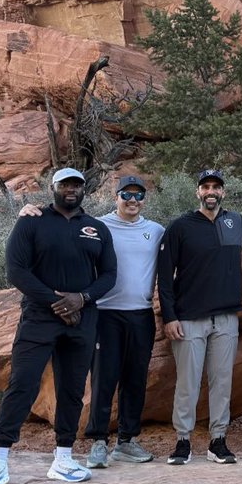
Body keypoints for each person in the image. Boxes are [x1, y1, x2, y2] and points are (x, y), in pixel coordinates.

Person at [157, 169, 242, 466]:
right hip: (190, 318)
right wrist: (169, 317)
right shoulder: (180, 227)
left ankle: (217, 441)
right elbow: (165, 277)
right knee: (188, 382)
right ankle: (182, 442)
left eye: (216, 187)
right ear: (198, 192)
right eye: (206, 186)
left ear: (223, 192)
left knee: (222, 381)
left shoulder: (233, 222)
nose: (211, 191)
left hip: (225, 318)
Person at [0, 168, 117, 484]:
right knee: (22, 383)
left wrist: (82, 298)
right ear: (53, 188)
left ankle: (63, 458)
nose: (70, 190)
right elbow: (16, 271)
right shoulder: (31, 221)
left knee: (73, 389)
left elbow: (108, 275)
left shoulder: (97, 228)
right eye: (64, 184)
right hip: (39, 316)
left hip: (82, 320)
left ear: (83, 190)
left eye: (76, 185)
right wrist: (56, 302)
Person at [84, 175, 164, 468]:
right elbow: (63, 228)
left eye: (138, 195)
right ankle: (98, 442)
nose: (132, 201)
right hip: (106, 313)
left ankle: (126, 441)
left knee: (135, 378)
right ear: (115, 197)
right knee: (104, 377)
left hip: (141, 314)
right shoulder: (97, 226)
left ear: (144, 199)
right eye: (126, 195)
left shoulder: (155, 231)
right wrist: (31, 211)